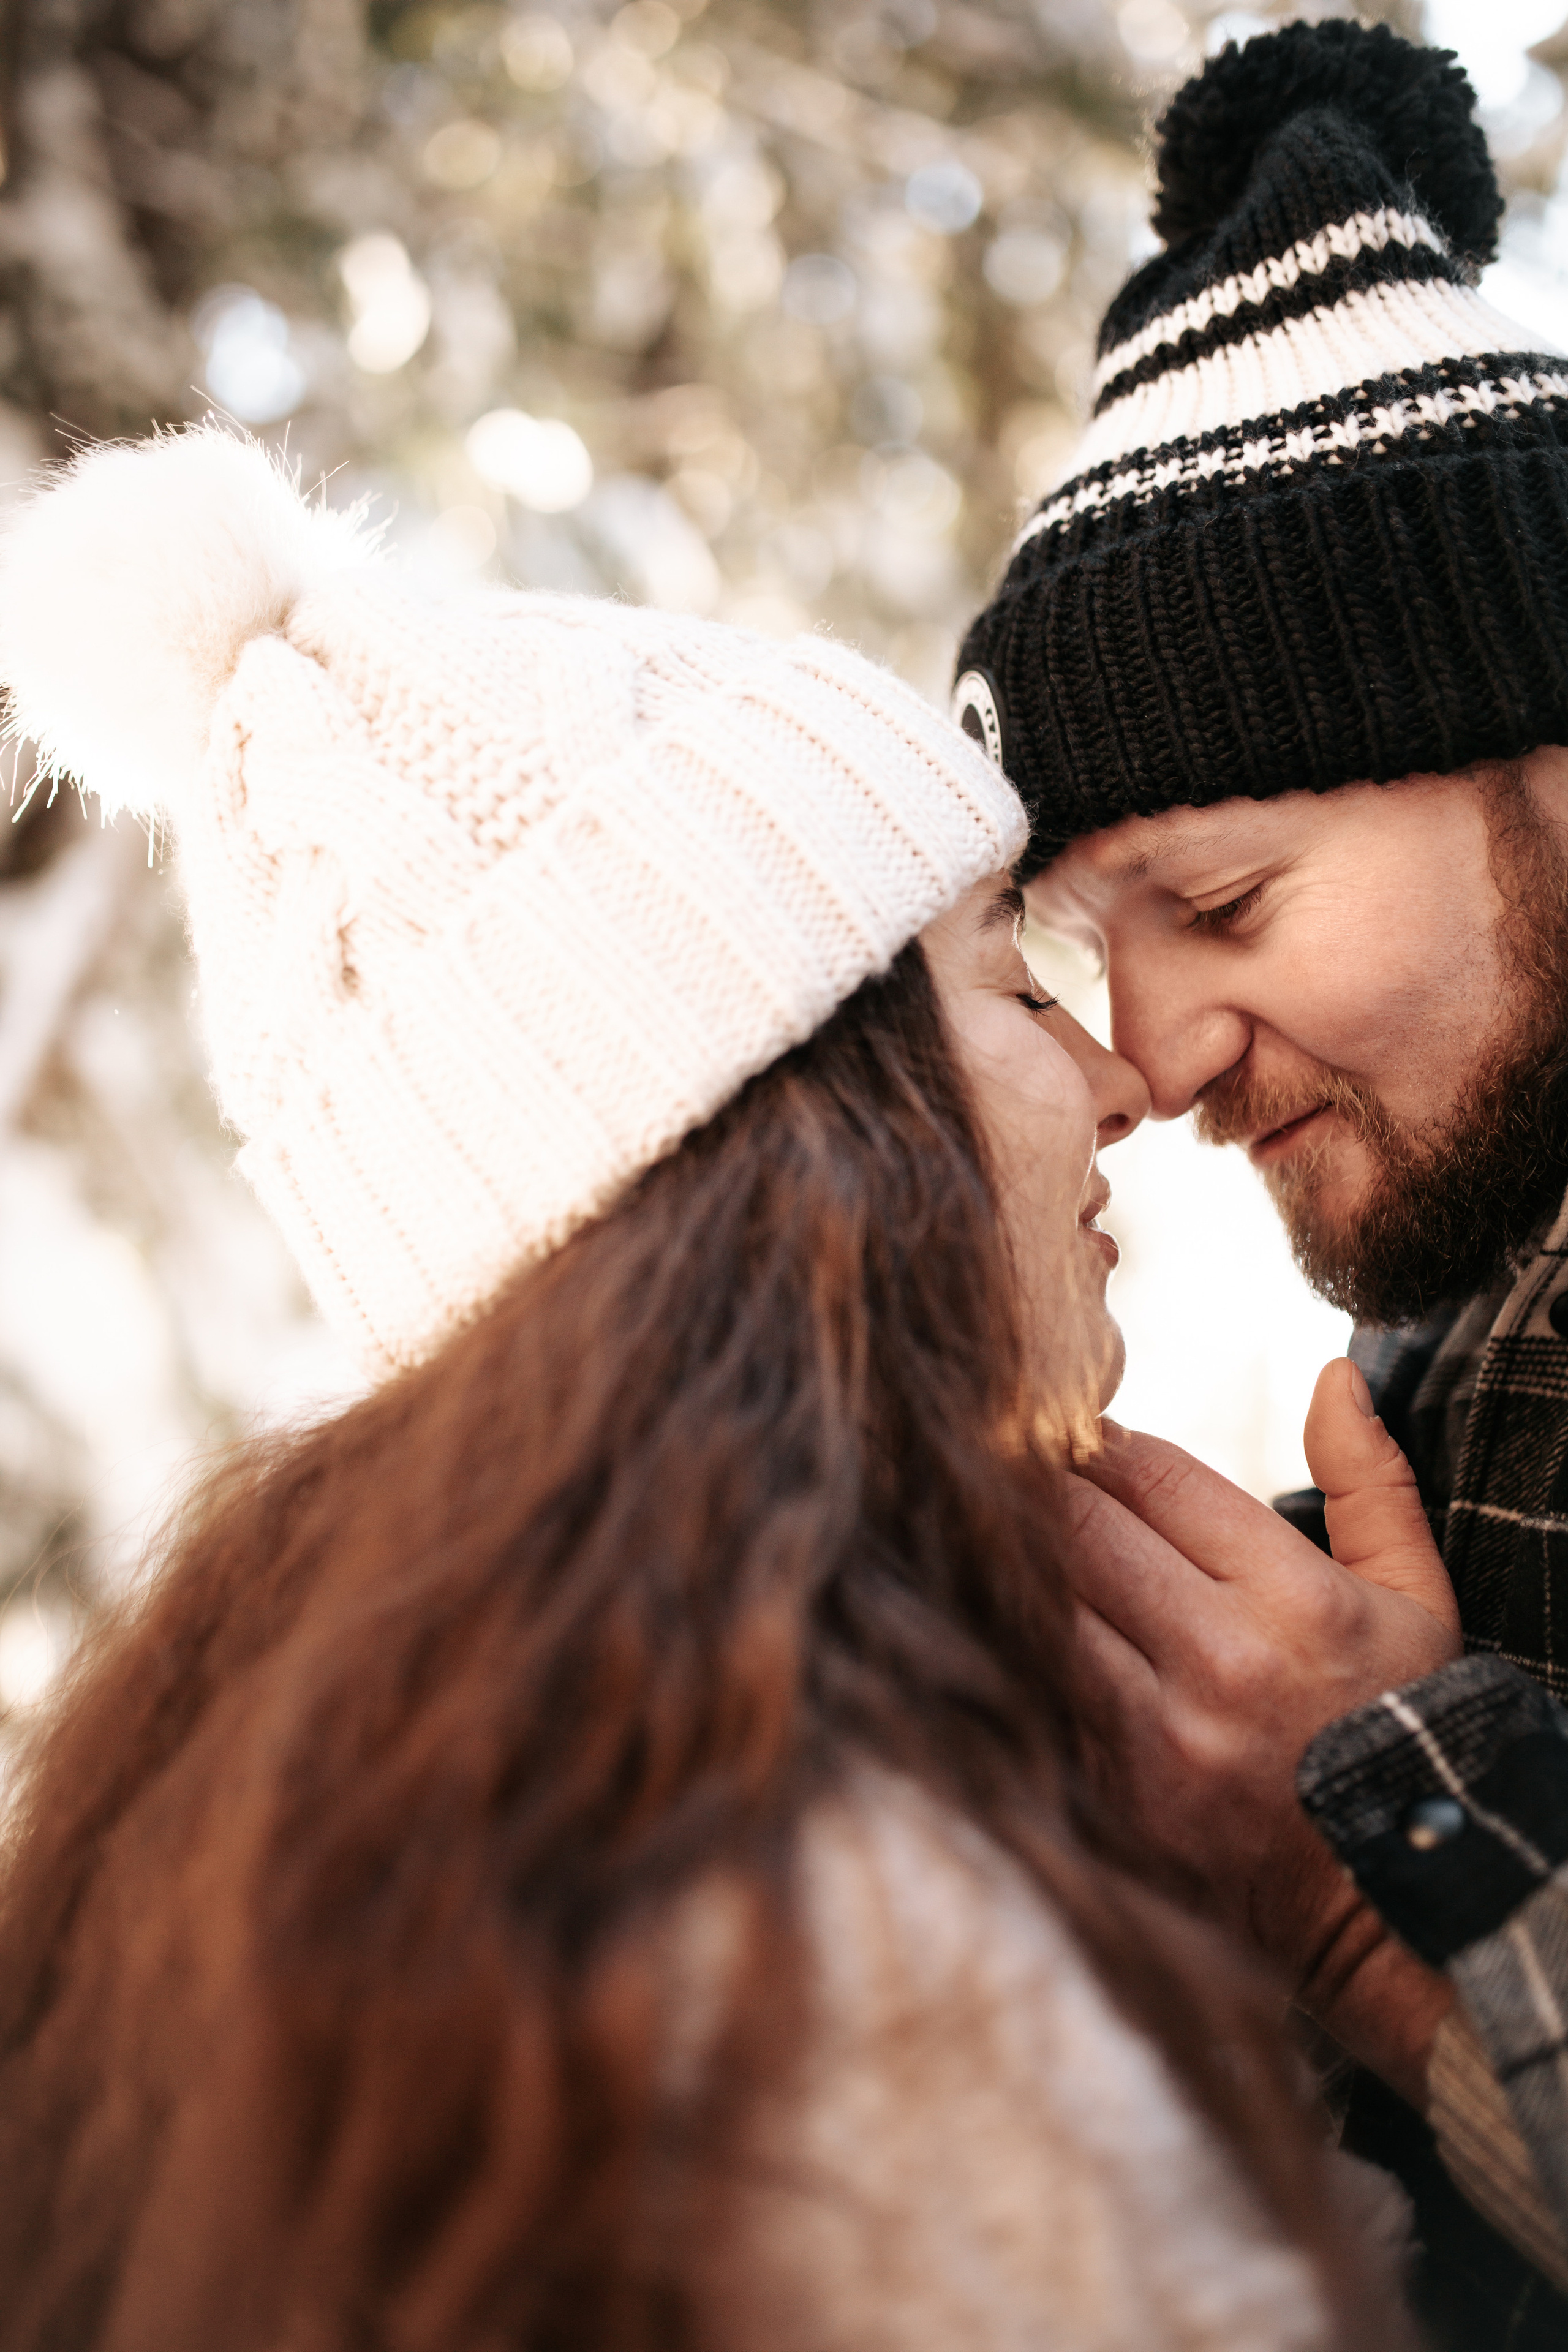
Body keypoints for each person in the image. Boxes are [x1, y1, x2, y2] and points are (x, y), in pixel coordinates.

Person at [0, 426, 1415, 2351]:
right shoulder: (826, 1965)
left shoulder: (434, 1809)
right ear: (792, 1122)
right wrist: (1385, 1906)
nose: (1116, 1080)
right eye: (1006, 981)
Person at [955, 15, 1568, 2348]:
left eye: (1221, 904)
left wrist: (1363, 1853)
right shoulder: (1476, 1286)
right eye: (1094, 960)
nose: (1160, 1063)